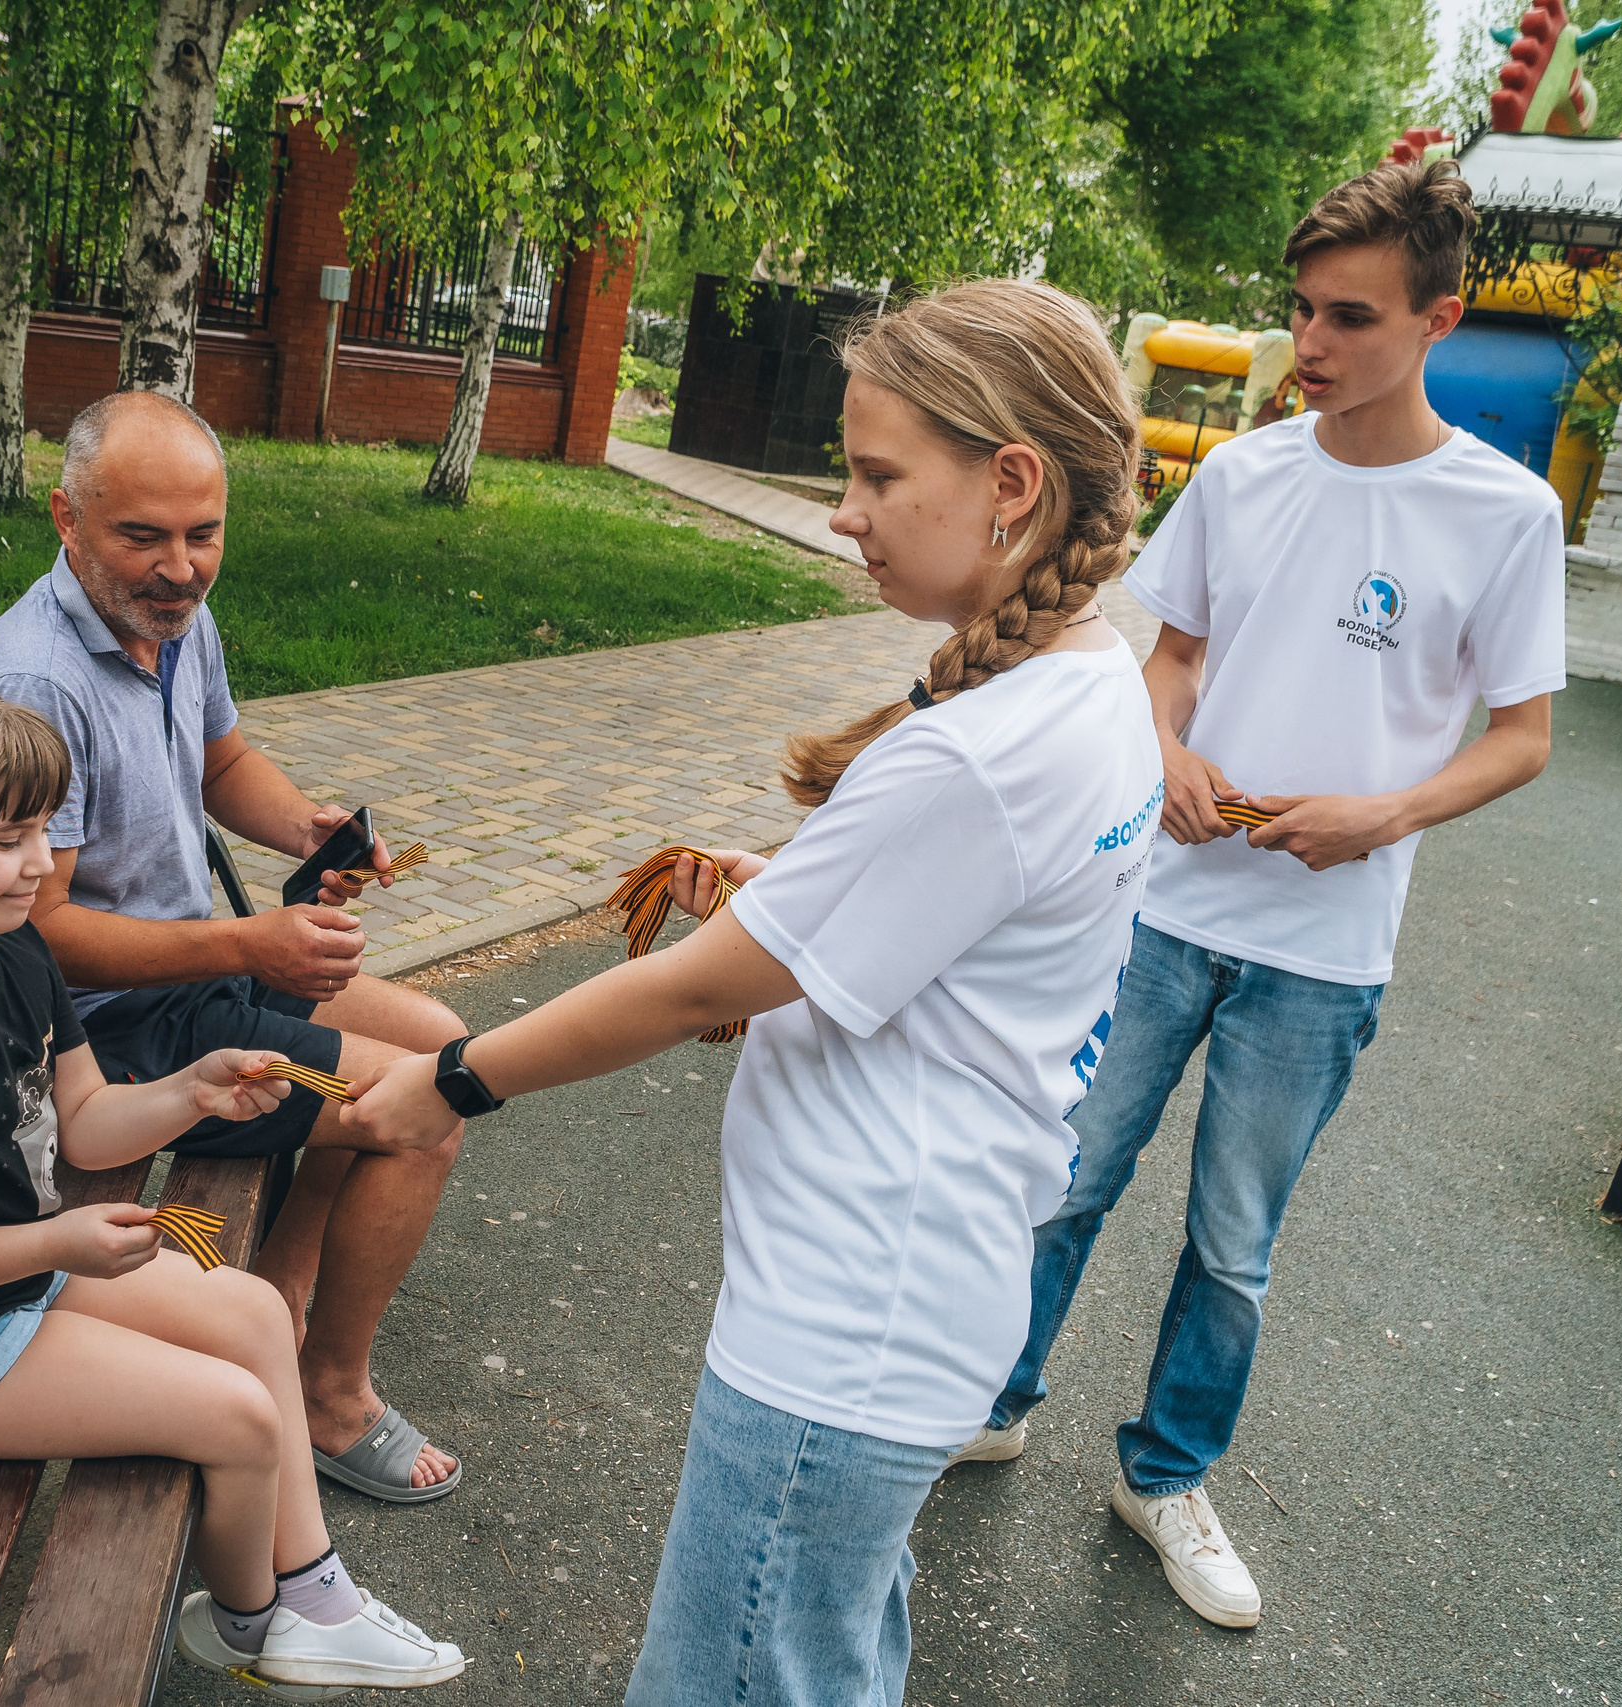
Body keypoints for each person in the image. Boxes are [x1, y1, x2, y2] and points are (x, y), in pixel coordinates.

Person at [343, 278, 1162, 1707]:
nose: (845, 510)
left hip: (847, 1328)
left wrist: (448, 1075)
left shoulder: (971, 746)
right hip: (928, 1295)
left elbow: (686, 992)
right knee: (821, 1655)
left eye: (876, 473)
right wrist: (802, 892)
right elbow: (933, 915)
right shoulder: (1093, 685)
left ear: (1011, 482)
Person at [971, 159, 1565, 1631]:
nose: (1309, 344)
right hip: (1165, 911)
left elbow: (1522, 739)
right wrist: (1165, 744)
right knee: (1065, 1178)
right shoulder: (1243, 474)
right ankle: (989, 1396)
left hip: (1325, 953)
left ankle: (1164, 1474)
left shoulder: (1506, 514)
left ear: (1442, 317)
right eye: (1300, 309)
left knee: (1233, 1241)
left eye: (1349, 317)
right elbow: (1171, 654)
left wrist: (1387, 811)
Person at [0, 676, 465, 1694]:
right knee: (239, 1415)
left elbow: (84, 1117)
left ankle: (315, 1591)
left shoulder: (6, 941)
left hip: (9, 1279)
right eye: (8, 838)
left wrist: (193, 1091)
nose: (41, 865)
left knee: (250, 1312)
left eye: (43, 831)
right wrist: (51, 1245)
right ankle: (248, 1627)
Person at [0, 391, 465, 1503]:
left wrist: (306, 829)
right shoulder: (33, 686)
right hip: (98, 1036)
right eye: (142, 536)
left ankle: (279, 1290)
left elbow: (220, 760)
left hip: (194, 972)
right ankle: (331, 1399)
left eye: (203, 533)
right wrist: (252, 943)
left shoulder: (168, 618)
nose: (181, 567)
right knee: (416, 1114)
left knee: (441, 1045)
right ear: (67, 520)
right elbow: (35, 941)